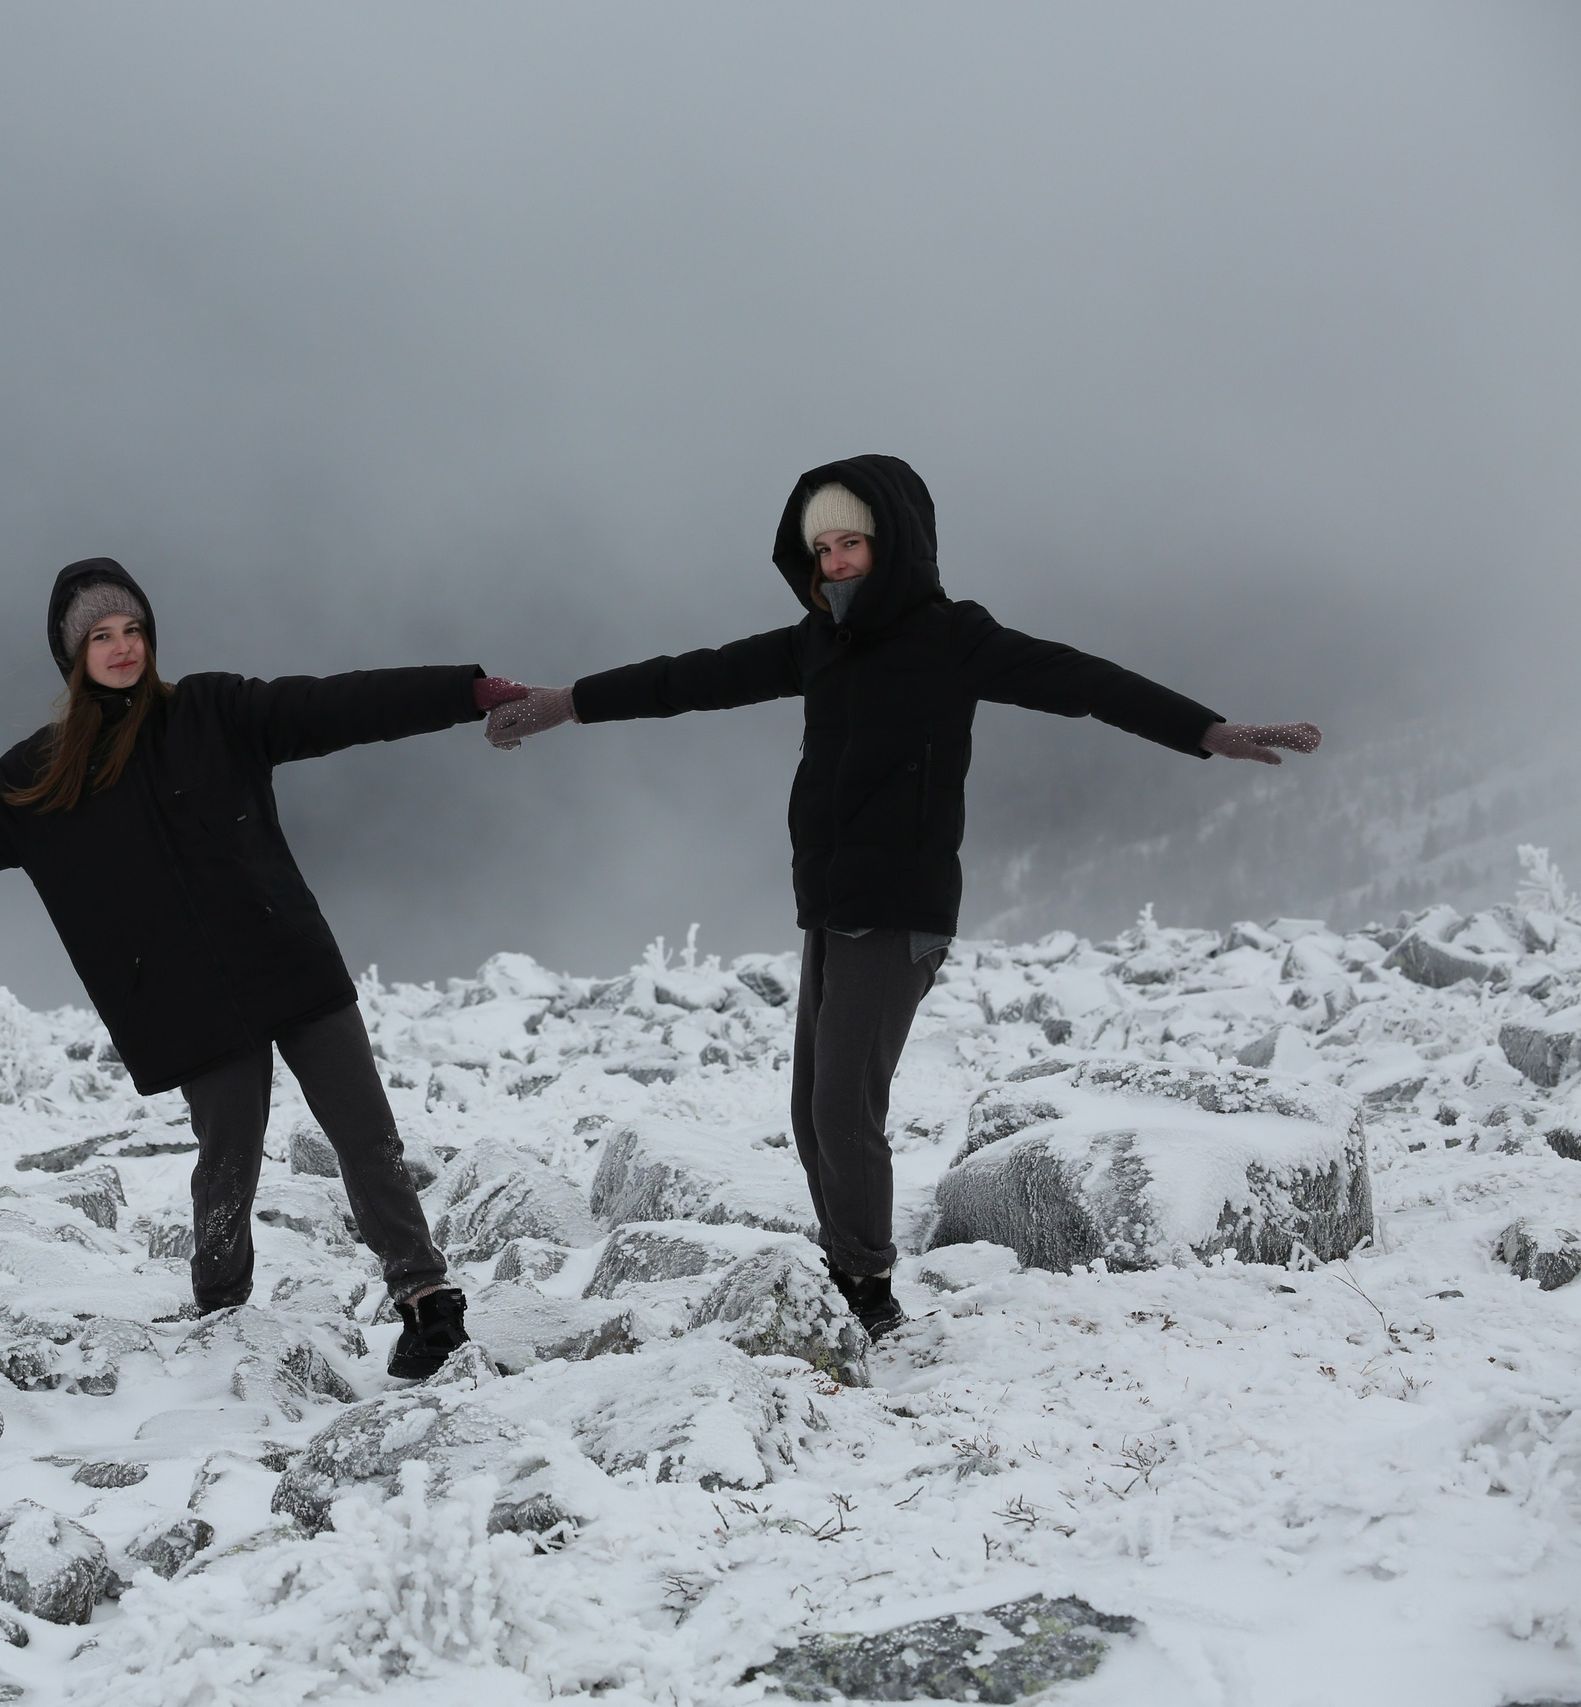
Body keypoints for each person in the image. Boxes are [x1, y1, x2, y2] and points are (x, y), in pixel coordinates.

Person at [481, 455, 1320, 1339]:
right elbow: (686, 679)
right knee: (813, 1108)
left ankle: (867, 1292)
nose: (837, 562)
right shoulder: (817, 643)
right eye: (824, 548)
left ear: (895, 545)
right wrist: (566, 702)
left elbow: (1085, 683)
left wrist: (1205, 728)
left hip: (902, 909)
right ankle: (849, 1263)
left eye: (853, 543)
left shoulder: (952, 637)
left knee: (845, 1105)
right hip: (831, 902)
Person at [0, 557, 526, 1378]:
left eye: (132, 629)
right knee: (228, 1159)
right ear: (73, 657)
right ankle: (221, 1310)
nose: (121, 647)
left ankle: (428, 1303)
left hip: (288, 959)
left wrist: (464, 693)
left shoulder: (217, 711)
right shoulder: (37, 781)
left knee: (366, 1135)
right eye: (100, 636)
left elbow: (342, 703)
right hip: (188, 1003)